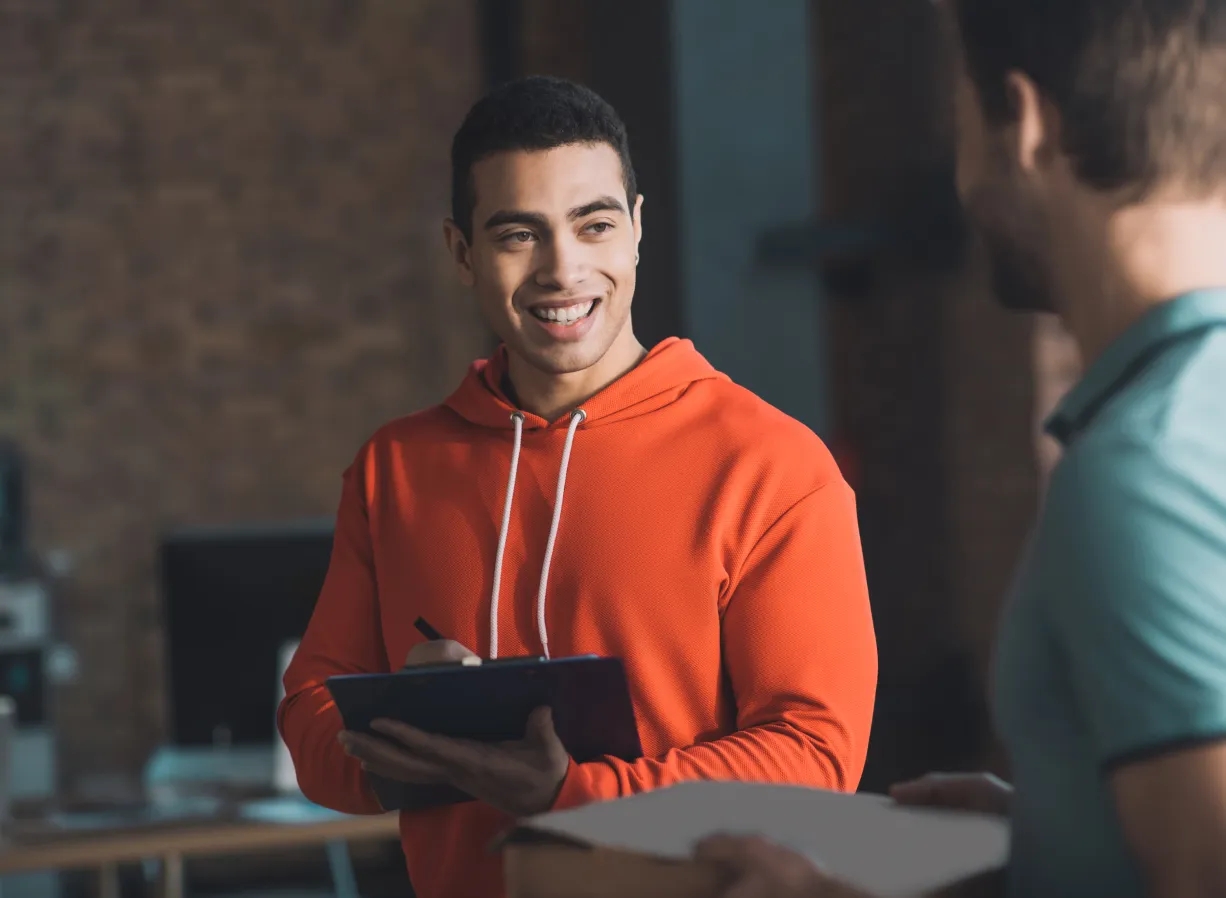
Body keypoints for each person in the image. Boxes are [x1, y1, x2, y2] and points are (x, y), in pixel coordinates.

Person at [277, 75, 879, 898]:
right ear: (462, 252)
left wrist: (570, 793)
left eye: (594, 225)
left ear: (637, 229)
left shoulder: (773, 464)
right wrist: (416, 738)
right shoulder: (395, 468)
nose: (563, 269)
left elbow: (816, 758)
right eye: (518, 234)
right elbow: (310, 720)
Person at [696, 0, 1226, 895]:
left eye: (962, 122)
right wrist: (1061, 828)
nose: (960, 172)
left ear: (1025, 123)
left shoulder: (1142, 470)